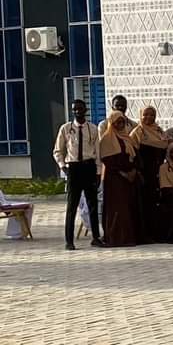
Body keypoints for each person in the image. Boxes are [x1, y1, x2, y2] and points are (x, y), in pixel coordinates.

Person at [53, 99, 103, 250]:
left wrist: (98, 171)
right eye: (75, 109)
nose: (77, 112)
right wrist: (63, 167)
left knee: (92, 204)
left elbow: (98, 152)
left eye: (80, 109)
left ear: (85, 110)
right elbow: (57, 150)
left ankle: (96, 237)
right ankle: (69, 240)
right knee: (72, 206)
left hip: (89, 167)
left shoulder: (93, 129)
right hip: (73, 168)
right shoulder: (66, 128)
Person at [100, 111, 142, 247]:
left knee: (128, 207)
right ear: (111, 123)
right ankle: (115, 238)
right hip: (114, 179)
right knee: (117, 208)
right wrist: (123, 173)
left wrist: (133, 171)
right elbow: (107, 160)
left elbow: (134, 157)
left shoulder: (127, 138)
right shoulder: (106, 139)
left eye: (122, 122)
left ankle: (128, 238)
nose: (119, 125)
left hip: (129, 178)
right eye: (117, 122)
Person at [130, 106, 168, 241]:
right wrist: (138, 172)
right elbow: (132, 155)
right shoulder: (137, 133)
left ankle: (157, 233)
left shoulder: (159, 131)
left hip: (157, 173)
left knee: (156, 203)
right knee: (144, 204)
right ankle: (144, 235)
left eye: (152, 115)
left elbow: (165, 148)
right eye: (145, 115)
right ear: (140, 116)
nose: (149, 118)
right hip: (143, 173)